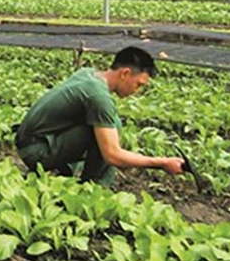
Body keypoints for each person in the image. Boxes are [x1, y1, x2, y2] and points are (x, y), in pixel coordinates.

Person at [14, 46, 183, 185]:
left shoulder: (88, 74)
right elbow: (113, 155)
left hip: (33, 141)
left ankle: (65, 174)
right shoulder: (98, 96)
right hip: (35, 152)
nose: (137, 91)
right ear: (124, 73)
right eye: (138, 84)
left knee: (111, 123)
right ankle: (91, 189)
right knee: (107, 135)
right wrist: (161, 163)